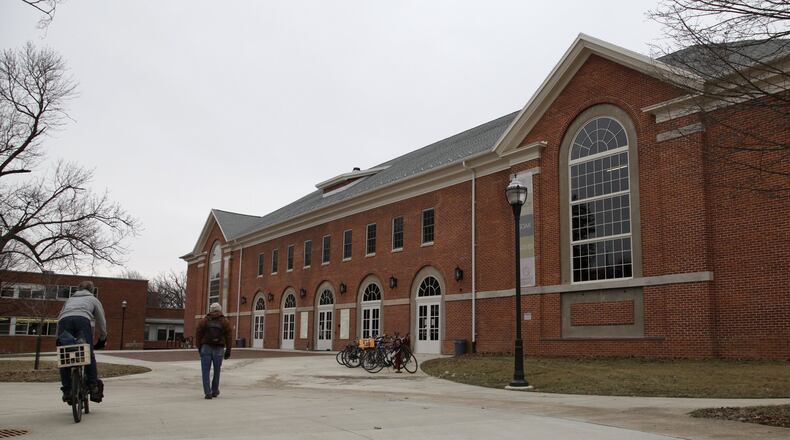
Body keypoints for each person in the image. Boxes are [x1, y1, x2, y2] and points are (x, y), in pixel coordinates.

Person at [56, 280, 107, 404]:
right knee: (88, 354)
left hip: (64, 322)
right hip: (82, 320)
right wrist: (103, 337)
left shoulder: (70, 300)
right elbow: (101, 320)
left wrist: (58, 339)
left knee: (64, 356)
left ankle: (67, 390)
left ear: (78, 289)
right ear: (91, 290)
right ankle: (93, 386)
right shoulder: (94, 299)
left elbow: (60, 316)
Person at [195, 302, 233, 399]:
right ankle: (215, 390)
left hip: (206, 347)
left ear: (210, 310)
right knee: (217, 370)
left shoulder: (204, 321)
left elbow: (198, 334)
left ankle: (208, 392)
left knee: (205, 371)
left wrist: (199, 347)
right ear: (219, 310)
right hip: (219, 349)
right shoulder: (225, 321)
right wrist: (228, 350)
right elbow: (229, 336)